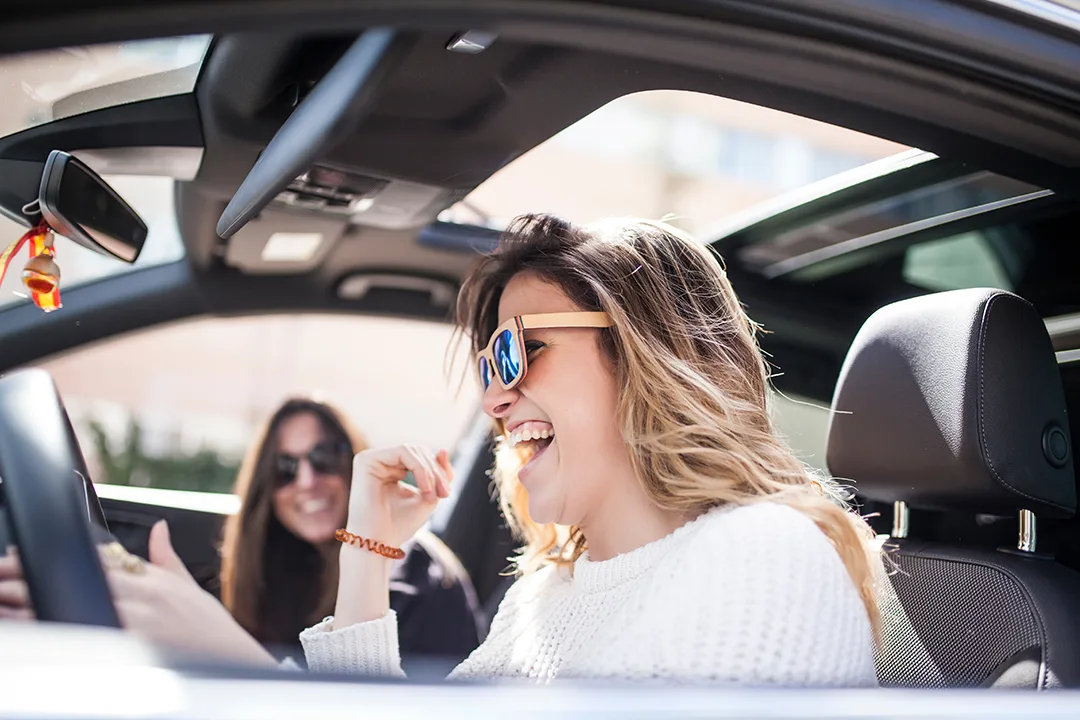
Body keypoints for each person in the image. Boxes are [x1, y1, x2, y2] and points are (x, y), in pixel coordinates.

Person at [0, 213, 883, 687]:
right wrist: (367, 550)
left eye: (518, 347)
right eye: (488, 359)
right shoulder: (549, 595)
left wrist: (229, 664)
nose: (496, 395)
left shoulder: (765, 558)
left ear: (652, 352)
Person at [219, 398, 484, 672]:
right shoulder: (272, 565)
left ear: (354, 465)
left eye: (323, 458)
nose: (307, 482)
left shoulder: (416, 576)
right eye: (284, 467)